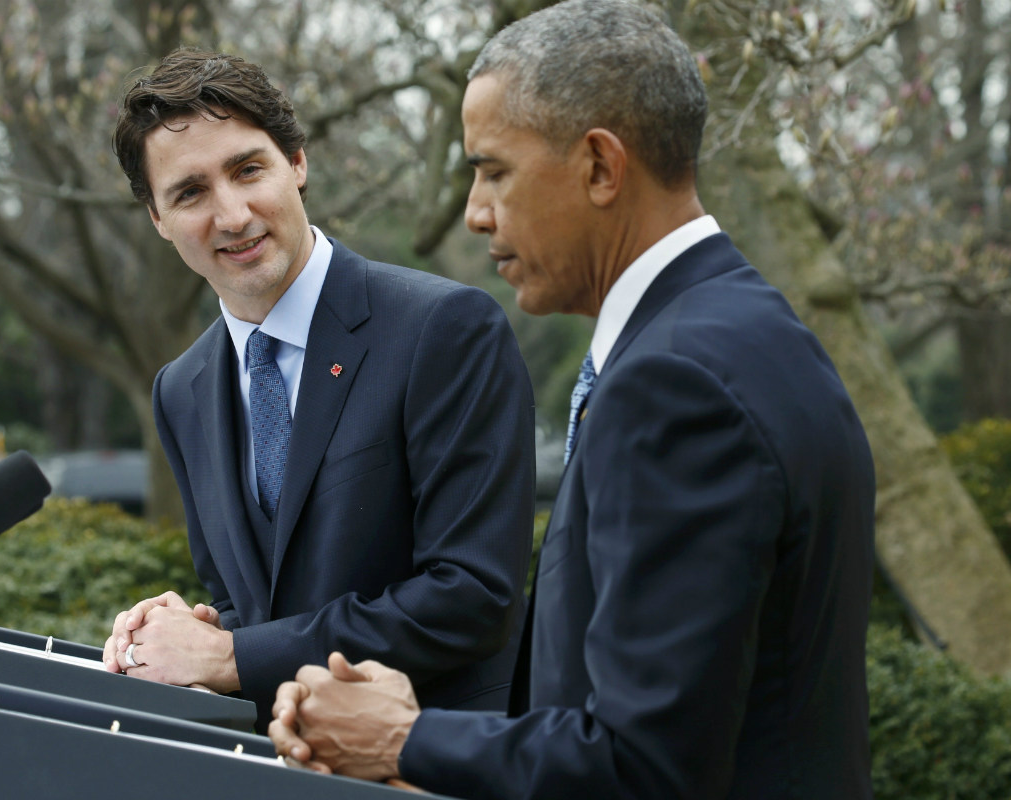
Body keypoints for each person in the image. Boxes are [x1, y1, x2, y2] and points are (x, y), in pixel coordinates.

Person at [268, 1, 876, 797]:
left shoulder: (673, 385)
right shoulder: (747, 328)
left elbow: (640, 766)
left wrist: (403, 742)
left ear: (599, 166)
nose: (476, 212)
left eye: (493, 170)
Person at [101, 49, 535, 725]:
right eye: (190, 193)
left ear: (297, 164)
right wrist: (190, 636)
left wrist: (231, 657)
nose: (234, 213)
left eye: (249, 170)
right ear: (157, 219)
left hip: (438, 765)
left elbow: (471, 597)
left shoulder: (442, 330)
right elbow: (254, 607)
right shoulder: (180, 391)